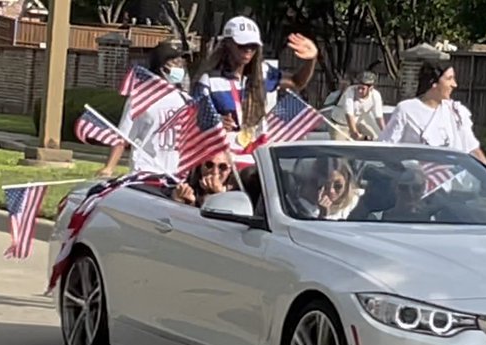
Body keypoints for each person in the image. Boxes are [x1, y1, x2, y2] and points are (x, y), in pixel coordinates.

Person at [191, 16, 319, 157]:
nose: (248, 50)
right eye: (242, 45)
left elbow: (297, 82)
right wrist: (216, 122)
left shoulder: (263, 73)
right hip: (224, 158)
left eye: (253, 46)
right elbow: (193, 122)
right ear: (227, 44)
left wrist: (311, 60)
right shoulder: (209, 81)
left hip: (256, 155)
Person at [96, 40, 190, 178]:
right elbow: (122, 136)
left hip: (176, 174)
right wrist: (109, 167)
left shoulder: (184, 99)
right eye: (175, 63)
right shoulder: (141, 98)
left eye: (181, 63)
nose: (180, 68)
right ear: (162, 67)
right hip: (146, 171)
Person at [378, 60, 486, 165]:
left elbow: (473, 148)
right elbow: (387, 146)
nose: (454, 84)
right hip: (415, 176)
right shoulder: (406, 109)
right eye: (449, 79)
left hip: (454, 175)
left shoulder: (456, 112)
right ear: (434, 83)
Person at [329, 71, 385, 140]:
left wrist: (386, 133)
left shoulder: (375, 95)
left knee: (374, 137)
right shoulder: (350, 91)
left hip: (357, 123)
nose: (359, 91)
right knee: (340, 144)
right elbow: (349, 114)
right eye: (358, 88)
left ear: (371, 88)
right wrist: (355, 133)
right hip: (340, 125)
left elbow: (379, 117)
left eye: (363, 89)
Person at [171, 151, 237, 208]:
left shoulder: (236, 194)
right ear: (200, 167)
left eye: (222, 167)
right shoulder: (188, 189)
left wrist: (219, 195)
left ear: (230, 170)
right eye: (209, 165)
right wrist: (185, 202)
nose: (215, 172)